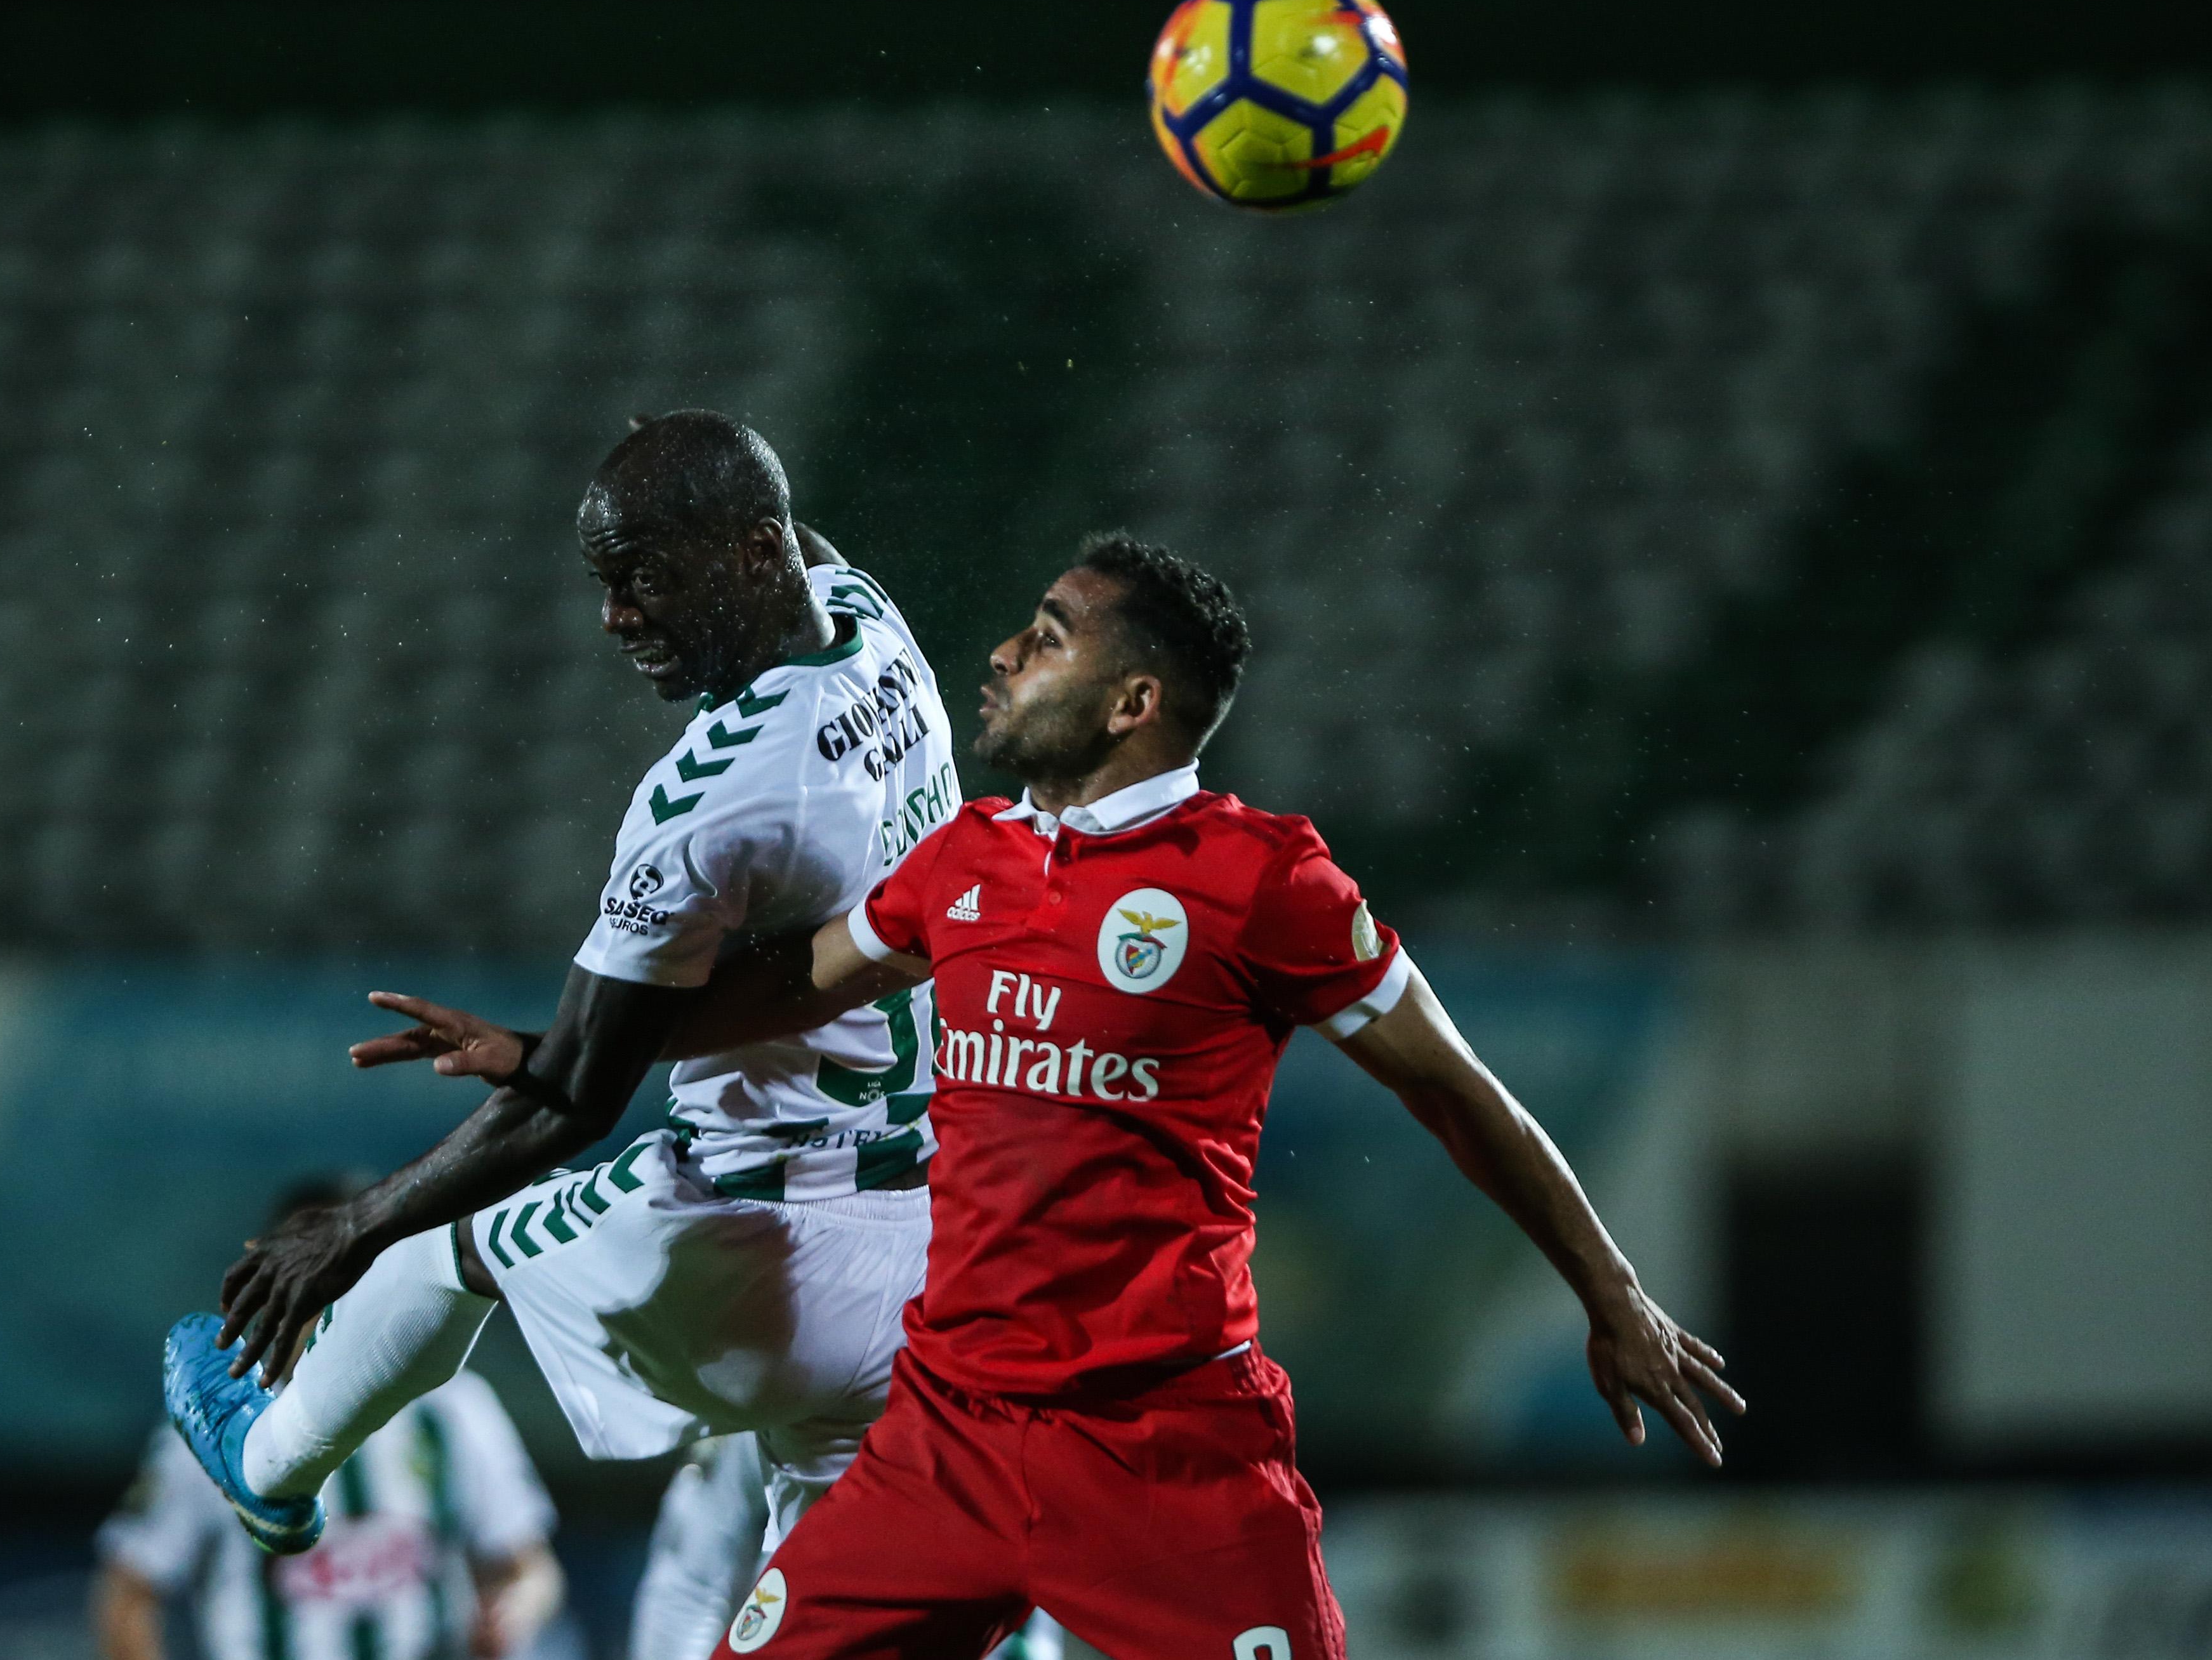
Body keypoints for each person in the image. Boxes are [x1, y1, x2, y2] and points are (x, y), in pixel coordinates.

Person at [401, 534, 1745, 1660]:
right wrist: (559, 1050)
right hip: (945, 1437)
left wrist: (1612, 1297)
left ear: (1130, 703)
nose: (1000, 653)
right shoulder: (965, 860)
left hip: (1164, 1449)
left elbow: (1459, 1095)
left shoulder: (1262, 883)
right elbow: (794, 984)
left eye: (1045, 637)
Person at [162, 412, 956, 1593]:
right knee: (816, 1617)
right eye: (605, 580)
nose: (615, 617)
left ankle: (269, 1461)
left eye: (640, 579)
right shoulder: (873, 628)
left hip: (763, 1240)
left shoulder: (714, 794)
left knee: (440, 1242)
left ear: (747, 554)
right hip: (926, 1250)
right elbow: (796, 976)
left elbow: (573, 1104)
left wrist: (352, 1228)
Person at [102, 1180, 564, 1660]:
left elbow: (528, 1568)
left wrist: (513, 1613)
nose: (338, 1297)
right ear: (269, 1283)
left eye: (360, 1271)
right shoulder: (217, 1425)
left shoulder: (455, 1409)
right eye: (319, 1274)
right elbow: (129, 1590)